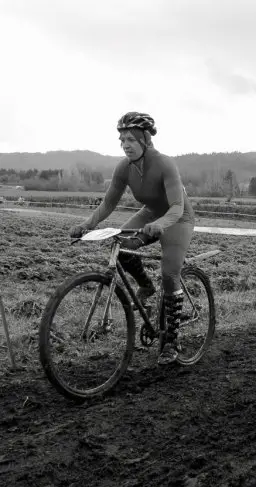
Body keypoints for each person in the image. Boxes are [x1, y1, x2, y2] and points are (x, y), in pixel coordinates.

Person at [69, 112, 195, 365]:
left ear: (145, 140)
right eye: (121, 139)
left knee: (170, 274)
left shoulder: (165, 164)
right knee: (122, 246)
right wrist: (86, 224)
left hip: (177, 218)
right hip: (150, 213)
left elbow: (177, 208)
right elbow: (108, 204)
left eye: (130, 139)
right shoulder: (123, 168)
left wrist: (159, 225)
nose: (125, 145)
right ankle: (146, 286)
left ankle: (172, 340)